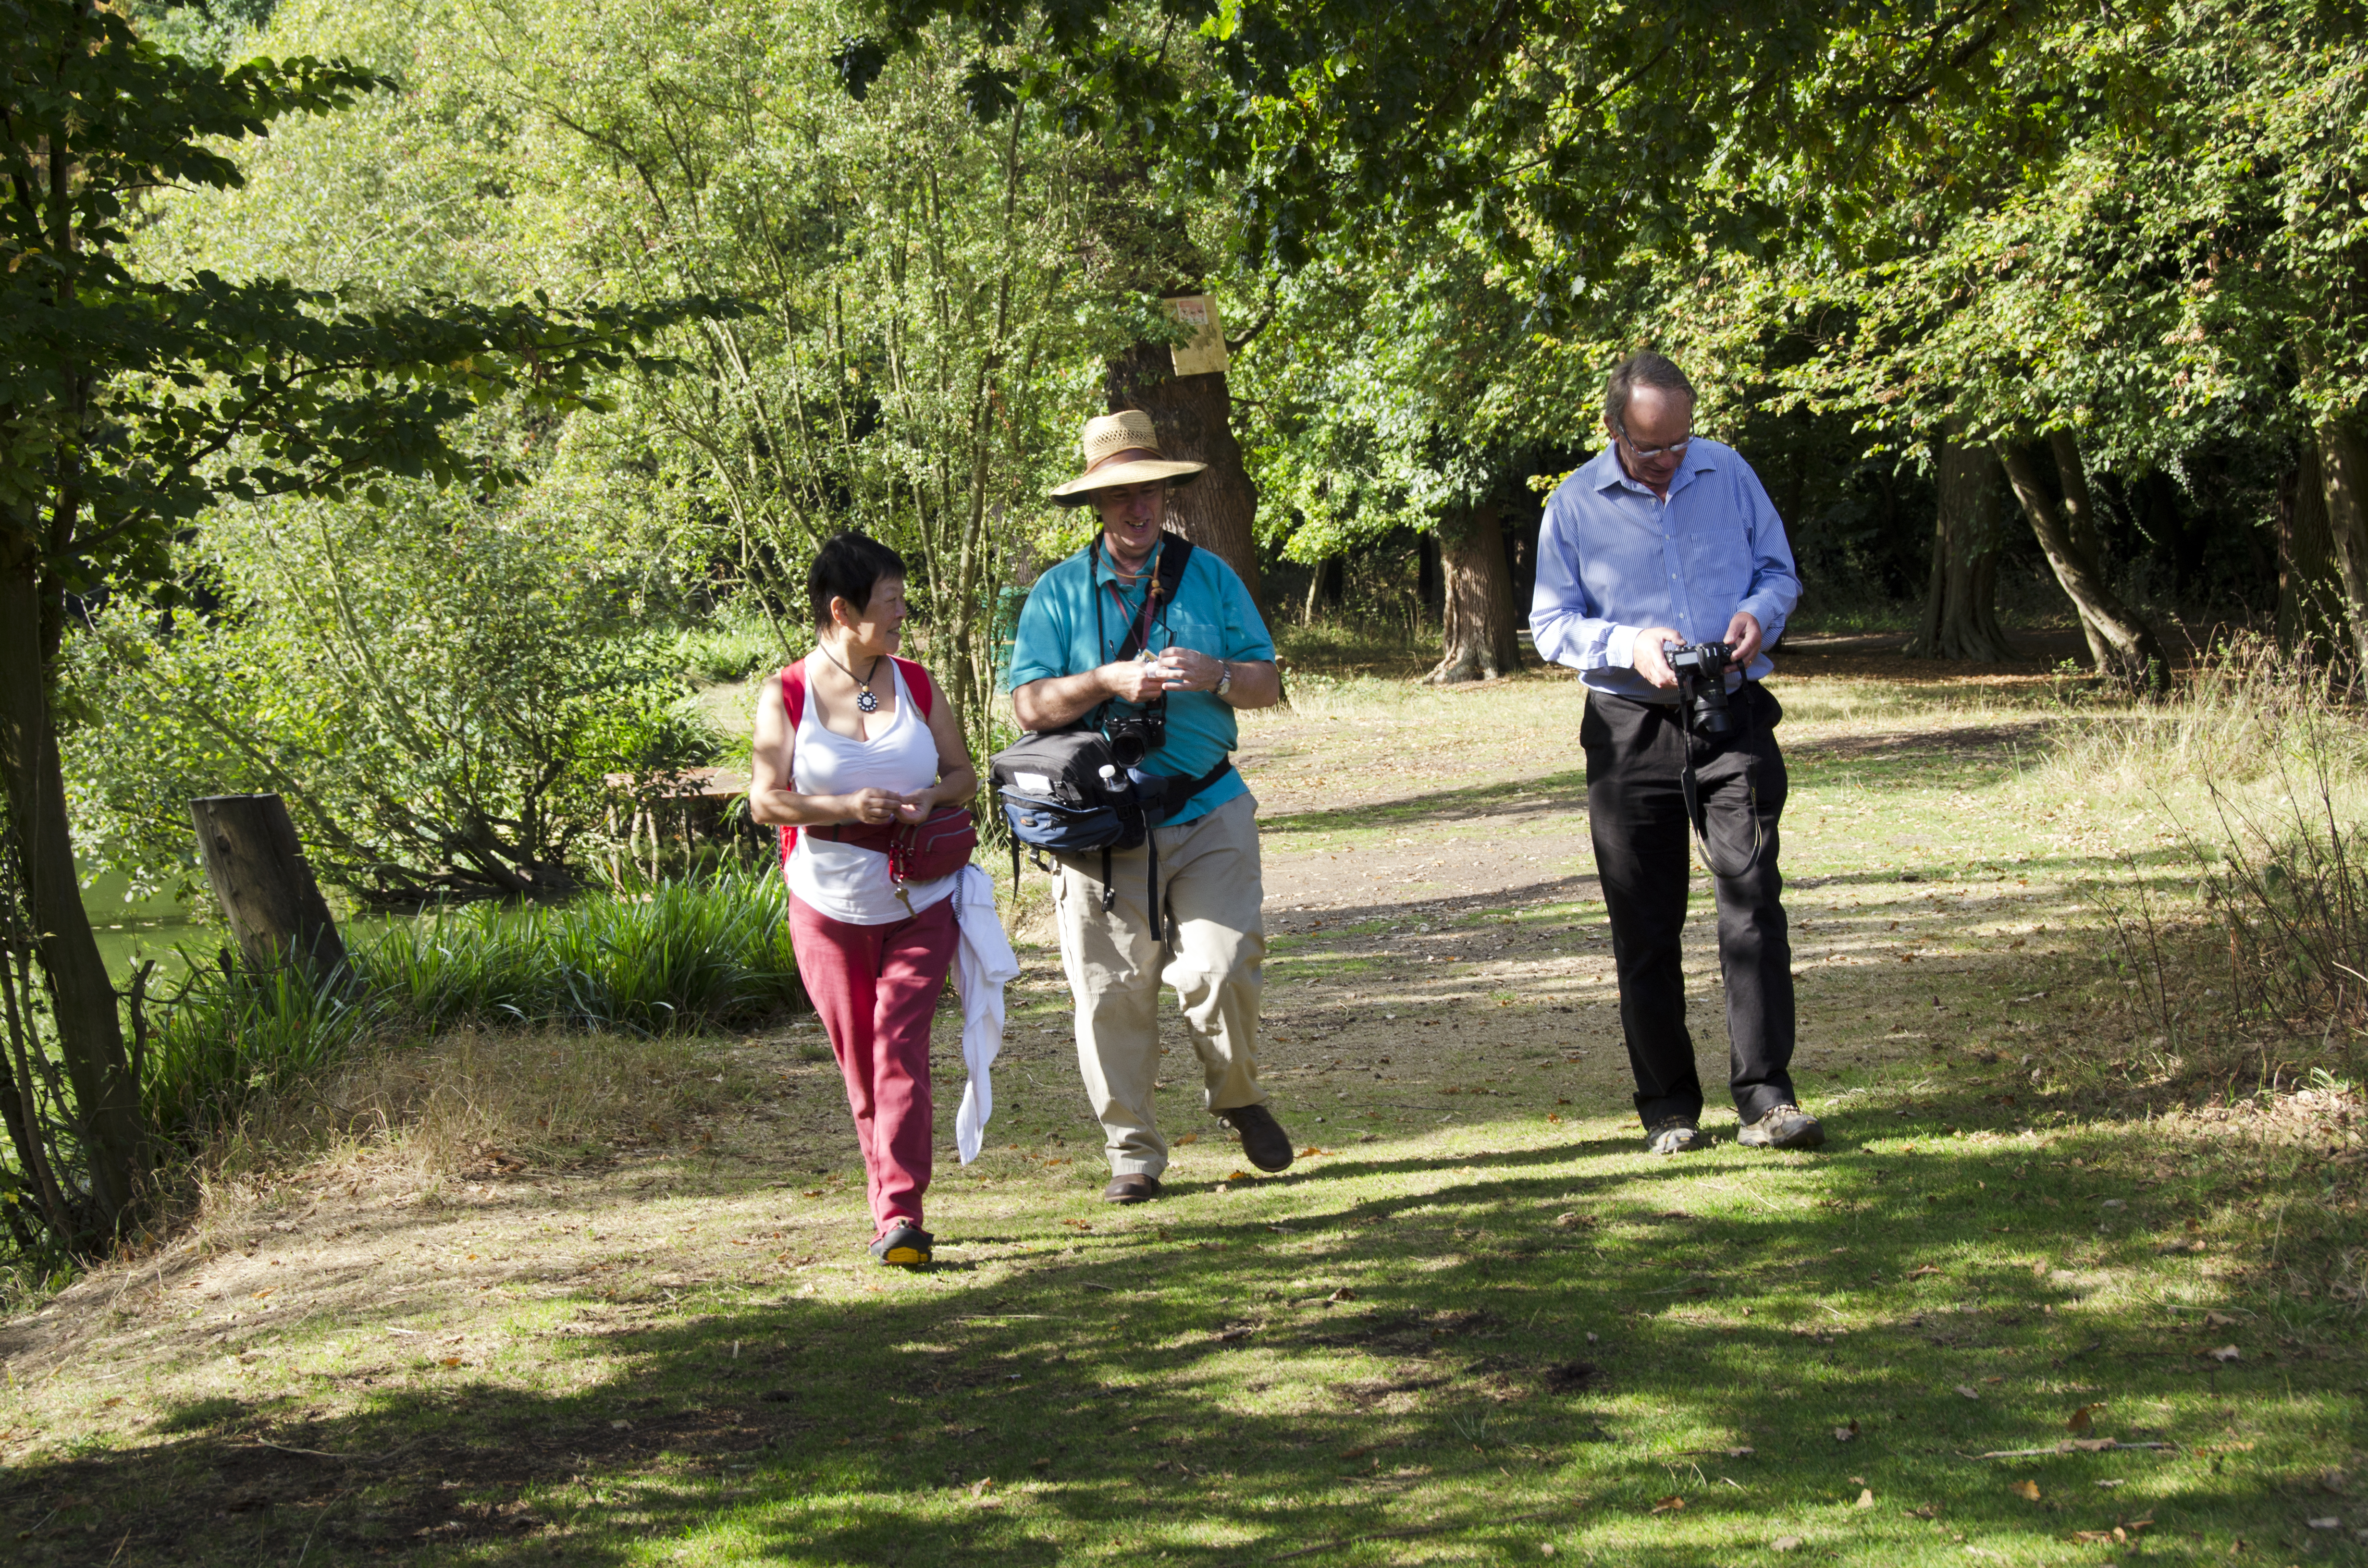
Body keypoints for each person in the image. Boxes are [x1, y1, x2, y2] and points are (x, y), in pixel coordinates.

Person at [1529, 352, 1825, 1155]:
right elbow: (1552, 625)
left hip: (1731, 714)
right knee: (1646, 926)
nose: (1669, 462)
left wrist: (1759, 616)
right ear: (1614, 428)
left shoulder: (1727, 473)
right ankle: (1668, 1110)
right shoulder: (1574, 505)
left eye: (1681, 443)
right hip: (1630, 727)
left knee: (1753, 902)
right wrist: (1631, 643)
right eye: (1651, 448)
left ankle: (1768, 1099)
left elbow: (1777, 569)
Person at [1007, 410, 1293, 1202]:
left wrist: (1218, 675)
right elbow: (1027, 708)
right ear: (1097, 505)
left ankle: (1237, 1095)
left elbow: (1269, 684)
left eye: (1150, 491)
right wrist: (1105, 681)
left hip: (1208, 807)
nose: (1138, 509)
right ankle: (1133, 1153)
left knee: (1223, 964)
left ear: (1167, 494)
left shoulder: (1212, 577)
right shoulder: (1057, 595)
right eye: (1121, 495)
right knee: (1111, 993)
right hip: (1101, 827)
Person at [749, 531, 980, 1264]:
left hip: (923, 897)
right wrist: (846, 804)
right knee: (862, 1063)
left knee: (901, 1050)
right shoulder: (786, 692)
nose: (904, 615)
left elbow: (963, 774)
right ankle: (891, 1210)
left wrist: (925, 798)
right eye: (891, 604)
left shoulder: (916, 681)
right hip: (827, 903)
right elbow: (765, 803)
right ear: (842, 610)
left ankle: (901, 1213)